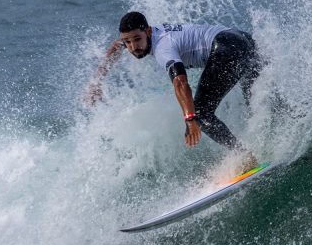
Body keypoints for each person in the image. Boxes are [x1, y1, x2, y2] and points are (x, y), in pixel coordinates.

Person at [86, 11, 261, 169]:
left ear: (147, 32)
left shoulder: (163, 48)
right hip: (241, 39)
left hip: (228, 49)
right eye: (128, 42)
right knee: (258, 99)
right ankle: (281, 130)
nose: (133, 47)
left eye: (137, 40)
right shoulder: (144, 34)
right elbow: (117, 46)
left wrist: (190, 119)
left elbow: (180, 82)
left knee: (200, 113)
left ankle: (244, 155)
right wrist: (97, 81)